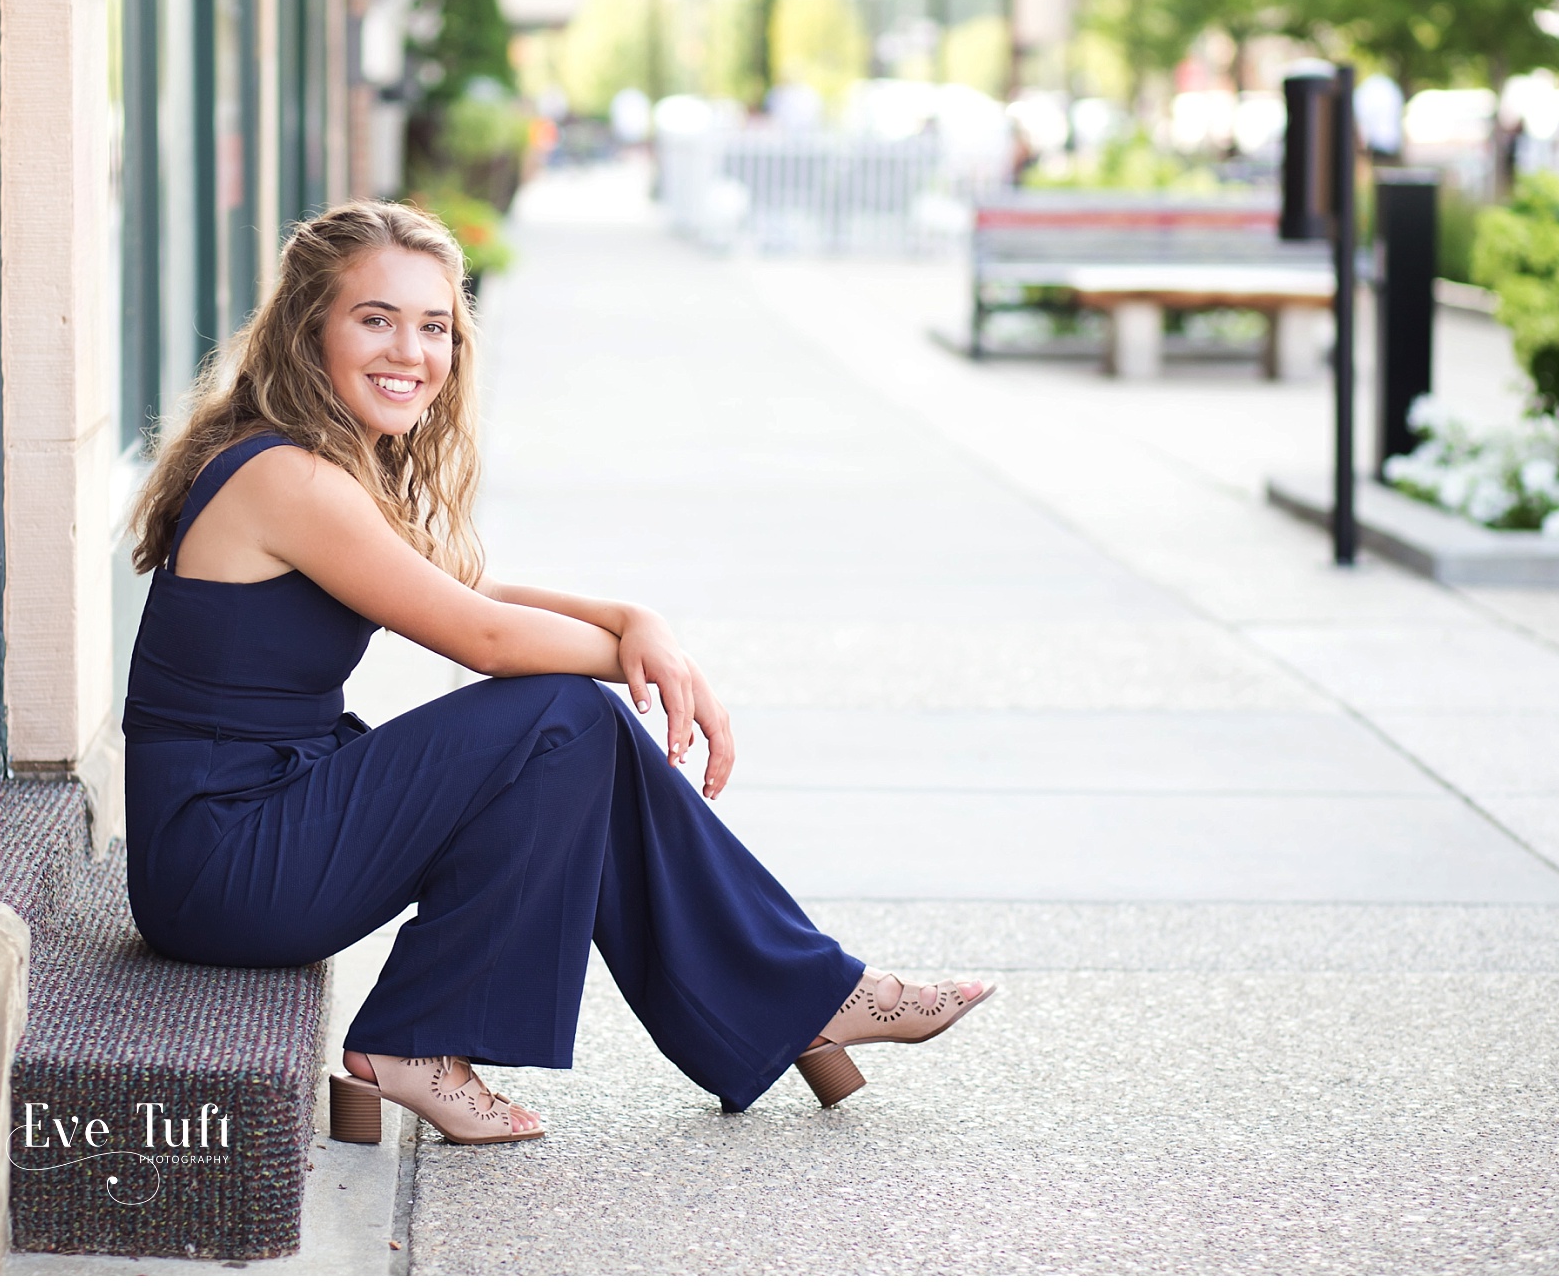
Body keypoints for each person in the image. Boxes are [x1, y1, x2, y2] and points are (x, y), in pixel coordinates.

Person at [122, 201, 993, 1146]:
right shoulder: (286, 478)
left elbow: (471, 586)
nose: (409, 351)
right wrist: (637, 664)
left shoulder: (321, 464)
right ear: (308, 329)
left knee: (570, 742)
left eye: (434, 325)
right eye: (375, 319)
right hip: (224, 863)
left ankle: (804, 996)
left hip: (257, 828)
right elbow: (486, 640)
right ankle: (797, 995)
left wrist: (633, 620)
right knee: (563, 720)